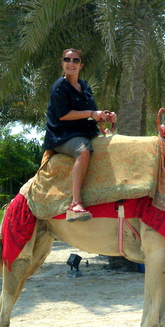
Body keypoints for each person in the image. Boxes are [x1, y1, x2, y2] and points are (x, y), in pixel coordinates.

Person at [43, 49, 116, 222]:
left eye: (75, 60)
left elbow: (89, 112)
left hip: (85, 131)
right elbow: (64, 115)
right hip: (63, 135)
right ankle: (75, 203)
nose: (71, 63)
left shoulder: (85, 86)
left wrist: (105, 116)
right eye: (67, 60)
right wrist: (91, 112)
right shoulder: (59, 87)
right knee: (83, 151)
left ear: (80, 65)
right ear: (62, 63)